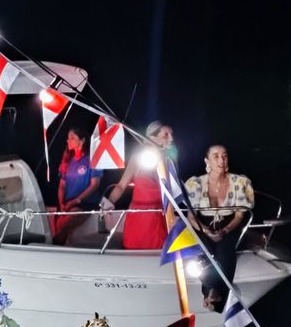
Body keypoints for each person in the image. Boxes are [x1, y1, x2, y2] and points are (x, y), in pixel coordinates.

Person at [184, 145, 255, 312]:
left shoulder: (239, 182)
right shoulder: (195, 184)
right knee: (206, 248)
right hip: (203, 225)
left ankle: (215, 293)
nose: (221, 160)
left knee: (225, 250)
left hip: (229, 225)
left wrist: (224, 231)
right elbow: (191, 217)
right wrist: (207, 231)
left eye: (224, 156)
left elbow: (239, 216)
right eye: (215, 156)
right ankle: (211, 291)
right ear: (207, 161)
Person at [103, 120, 175, 250]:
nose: (171, 138)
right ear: (152, 137)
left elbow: (172, 193)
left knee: (160, 254)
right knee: (132, 251)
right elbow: (121, 185)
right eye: (166, 134)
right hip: (138, 216)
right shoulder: (138, 158)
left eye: (171, 134)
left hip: (159, 216)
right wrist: (107, 203)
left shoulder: (169, 160)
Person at [52, 124, 101, 245]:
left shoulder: (92, 159)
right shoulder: (67, 160)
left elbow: (95, 184)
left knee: (64, 224)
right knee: (59, 225)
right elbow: (62, 185)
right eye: (68, 138)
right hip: (68, 203)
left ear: (82, 140)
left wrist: (77, 200)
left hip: (85, 203)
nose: (68, 140)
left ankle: (57, 247)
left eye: (72, 138)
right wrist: (61, 203)